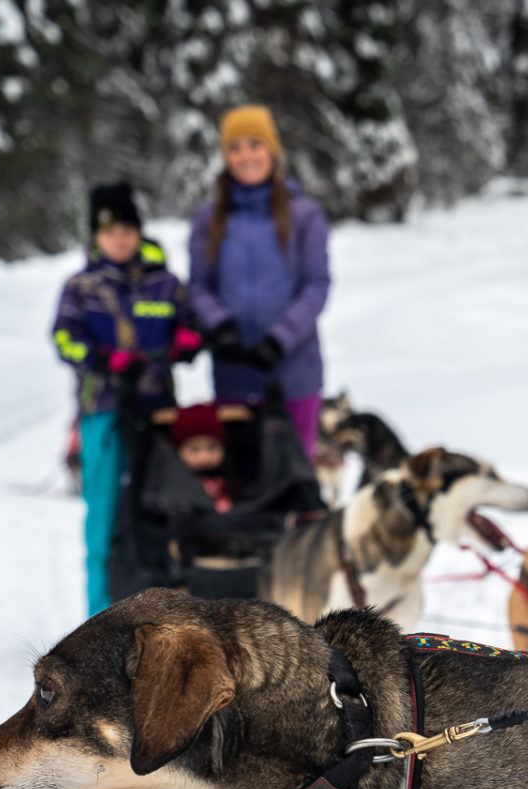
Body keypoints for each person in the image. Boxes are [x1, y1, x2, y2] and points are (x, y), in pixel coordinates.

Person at [51, 181, 202, 616]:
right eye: (109, 231)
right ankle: (97, 620)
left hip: (159, 414)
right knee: (104, 520)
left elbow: (189, 326)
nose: (119, 238)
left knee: (160, 513)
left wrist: (188, 340)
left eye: (126, 229)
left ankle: (160, 620)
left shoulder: (165, 284)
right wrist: (105, 359)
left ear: (138, 232)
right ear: (96, 237)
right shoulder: (82, 286)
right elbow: (64, 339)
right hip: (105, 413)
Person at [187, 105, 332, 461]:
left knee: (294, 480)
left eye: (255, 144)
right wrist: (221, 327)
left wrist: (278, 340)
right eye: (235, 148)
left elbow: (316, 285)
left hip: (294, 371)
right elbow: (198, 286)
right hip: (234, 371)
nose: (246, 155)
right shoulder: (210, 217)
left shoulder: (304, 214)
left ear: (272, 150)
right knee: (241, 482)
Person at [169, 404, 234, 513]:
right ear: (178, 451)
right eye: (194, 449)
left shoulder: (231, 478)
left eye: (212, 448)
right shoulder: (173, 481)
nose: (204, 457)